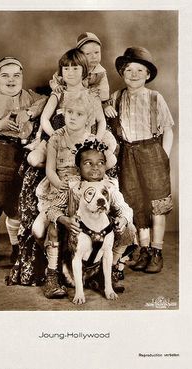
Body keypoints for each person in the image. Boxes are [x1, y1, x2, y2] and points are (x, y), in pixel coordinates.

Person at [31, 90, 117, 298]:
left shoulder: (93, 140)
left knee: (119, 224)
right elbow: (50, 169)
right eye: (69, 112)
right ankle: (53, 271)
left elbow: (106, 164)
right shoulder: (56, 138)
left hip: (86, 191)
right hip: (59, 190)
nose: (72, 117)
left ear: (88, 118)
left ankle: (105, 271)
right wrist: (59, 184)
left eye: (79, 114)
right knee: (39, 230)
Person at [0, 56, 48, 274]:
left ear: (22, 77)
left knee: (17, 208)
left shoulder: (31, 97)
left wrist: (29, 112)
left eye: (16, 75)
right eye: (5, 75)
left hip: (23, 154)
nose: (11, 80)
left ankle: (17, 250)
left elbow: (46, 101)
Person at [104, 46, 174, 273]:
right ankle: (143, 251)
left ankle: (156, 251)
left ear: (148, 74)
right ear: (122, 73)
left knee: (156, 203)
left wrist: (163, 155)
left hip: (151, 151)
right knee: (135, 202)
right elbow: (107, 124)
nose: (134, 74)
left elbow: (168, 129)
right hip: (127, 154)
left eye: (139, 70)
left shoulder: (155, 97)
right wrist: (106, 109)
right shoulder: (115, 98)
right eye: (129, 70)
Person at [46, 139, 136, 294]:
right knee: (53, 227)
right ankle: (52, 275)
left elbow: (125, 209)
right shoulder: (72, 185)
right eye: (88, 163)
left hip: (101, 236)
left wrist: (123, 220)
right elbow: (52, 210)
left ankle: (110, 269)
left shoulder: (110, 186)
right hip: (76, 238)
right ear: (78, 167)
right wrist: (64, 220)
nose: (95, 167)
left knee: (129, 228)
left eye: (100, 162)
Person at [27, 48, 115, 169]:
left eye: (75, 68)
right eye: (66, 68)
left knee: (111, 161)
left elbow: (101, 121)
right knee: (33, 159)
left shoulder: (91, 95)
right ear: (61, 72)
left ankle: (80, 168)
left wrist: (95, 140)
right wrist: (56, 136)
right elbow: (44, 119)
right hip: (59, 138)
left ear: (84, 71)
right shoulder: (59, 94)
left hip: (85, 139)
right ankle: (58, 166)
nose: (70, 72)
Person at [49, 32, 110, 102]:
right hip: (68, 98)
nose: (94, 57)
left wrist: (97, 96)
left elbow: (104, 95)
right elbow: (55, 79)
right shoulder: (72, 67)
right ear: (79, 55)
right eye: (88, 54)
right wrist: (57, 86)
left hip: (88, 101)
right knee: (54, 95)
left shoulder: (100, 73)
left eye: (97, 52)